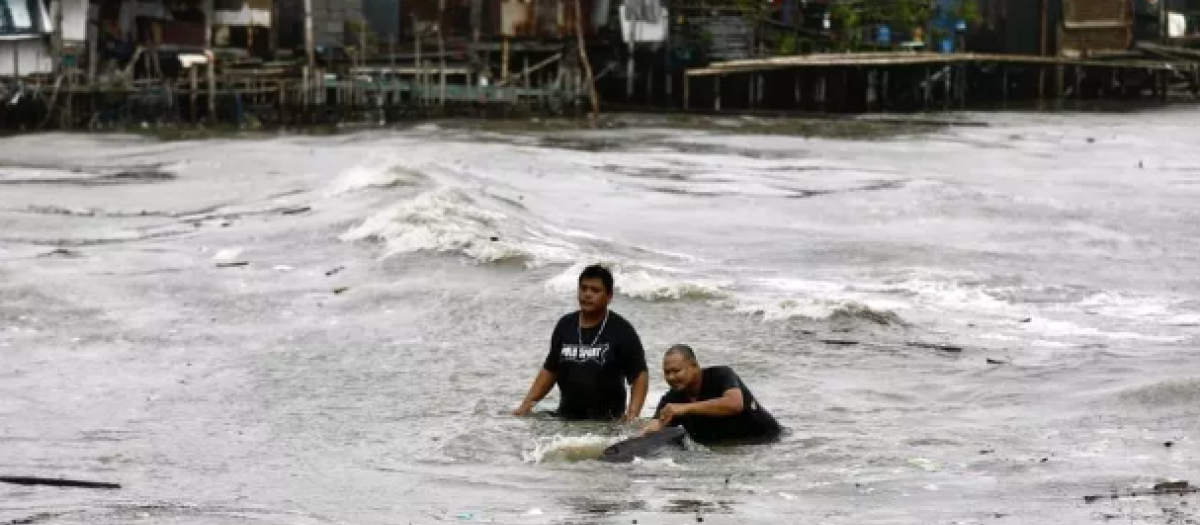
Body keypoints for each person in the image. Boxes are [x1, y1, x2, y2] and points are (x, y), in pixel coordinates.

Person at [513, 264, 649, 421]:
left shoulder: (622, 330)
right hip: (566, 418)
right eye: (583, 288)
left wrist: (632, 415)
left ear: (609, 296)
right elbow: (550, 370)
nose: (587, 294)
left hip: (606, 423)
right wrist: (526, 404)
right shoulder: (565, 325)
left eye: (595, 290)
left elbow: (639, 375)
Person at [641, 344, 782, 445]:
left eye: (676, 371)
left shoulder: (721, 375)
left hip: (769, 442)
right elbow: (654, 428)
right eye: (667, 373)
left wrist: (684, 408)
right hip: (728, 449)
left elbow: (735, 404)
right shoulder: (671, 400)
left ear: (695, 366)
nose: (671, 377)